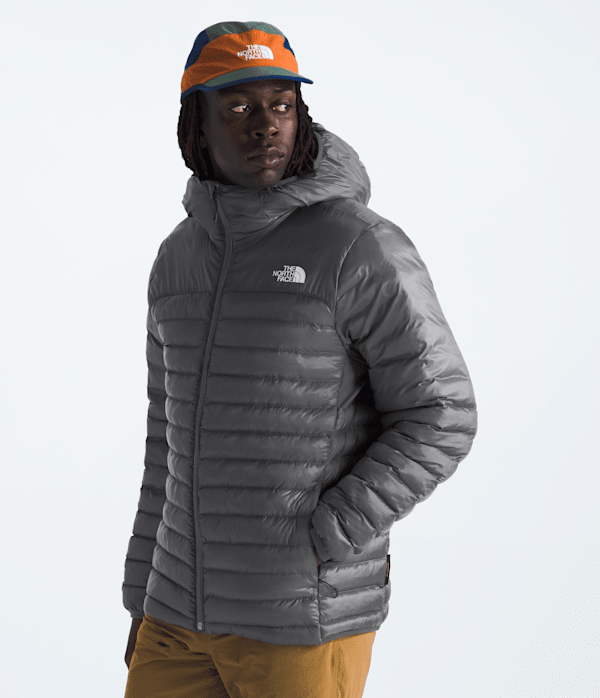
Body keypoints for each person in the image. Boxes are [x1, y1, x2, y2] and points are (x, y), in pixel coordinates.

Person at [122, 20, 478, 698]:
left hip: (298, 618)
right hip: (176, 616)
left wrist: (334, 529)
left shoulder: (358, 246)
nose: (266, 125)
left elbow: (442, 412)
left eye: (281, 104)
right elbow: (165, 442)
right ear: (196, 124)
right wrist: (142, 590)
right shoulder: (177, 259)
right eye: (238, 106)